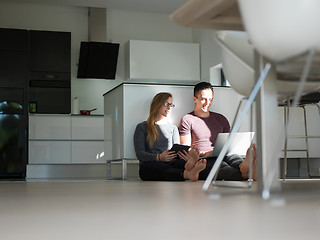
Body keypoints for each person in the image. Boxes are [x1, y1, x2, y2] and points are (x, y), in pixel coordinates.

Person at [178, 82, 257, 181]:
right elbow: (186, 150)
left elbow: (229, 143)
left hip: (225, 154)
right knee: (225, 169)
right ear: (195, 99)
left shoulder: (221, 119)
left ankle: (243, 165)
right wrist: (205, 153)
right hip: (204, 159)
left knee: (234, 157)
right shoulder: (187, 119)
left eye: (210, 99)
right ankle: (250, 172)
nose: (207, 103)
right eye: (203, 99)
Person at [133, 92, 206, 182]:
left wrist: (183, 156)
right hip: (149, 165)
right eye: (166, 104)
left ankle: (189, 166)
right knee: (159, 167)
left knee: (177, 164)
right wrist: (158, 157)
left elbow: (175, 150)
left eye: (171, 105)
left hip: (170, 162)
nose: (169, 108)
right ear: (157, 104)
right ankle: (187, 173)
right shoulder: (142, 127)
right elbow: (140, 154)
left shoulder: (173, 128)